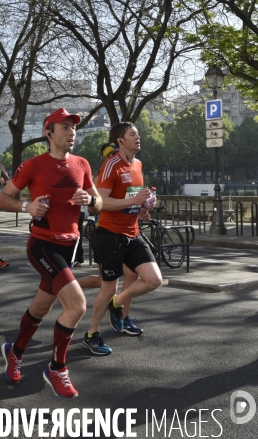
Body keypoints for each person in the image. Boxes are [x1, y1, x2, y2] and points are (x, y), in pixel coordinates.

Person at [0, 108, 102, 399]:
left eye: (74, 128)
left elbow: (98, 204)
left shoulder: (82, 164)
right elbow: (2, 199)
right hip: (42, 244)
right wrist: (26, 206)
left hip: (70, 245)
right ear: (49, 132)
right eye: (65, 127)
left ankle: (14, 351)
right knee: (77, 305)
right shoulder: (33, 165)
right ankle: (57, 368)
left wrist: (90, 200)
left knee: (41, 308)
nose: (72, 133)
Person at [83, 122, 162, 353]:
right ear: (120, 140)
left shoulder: (138, 164)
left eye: (138, 133)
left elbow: (131, 198)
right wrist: (132, 202)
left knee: (153, 279)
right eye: (133, 134)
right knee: (108, 288)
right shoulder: (110, 165)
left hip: (133, 232)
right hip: (110, 235)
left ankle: (117, 305)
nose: (139, 137)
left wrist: (143, 208)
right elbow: (99, 203)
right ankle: (92, 334)